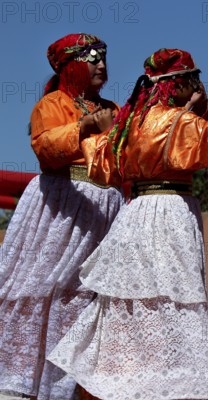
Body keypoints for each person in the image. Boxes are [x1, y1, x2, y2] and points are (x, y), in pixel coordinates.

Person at [47, 48, 208, 400]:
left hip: (134, 214)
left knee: (132, 298)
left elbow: (101, 165)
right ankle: (177, 384)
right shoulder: (177, 122)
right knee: (175, 296)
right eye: (193, 80)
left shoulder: (129, 122)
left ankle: (118, 381)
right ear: (178, 84)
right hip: (173, 212)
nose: (198, 87)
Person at [0, 33, 122, 400]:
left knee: (93, 295)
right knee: (43, 288)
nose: (101, 64)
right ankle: (22, 379)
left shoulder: (114, 110)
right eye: (92, 58)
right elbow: (46, 147)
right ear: (71, 65)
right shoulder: (52, 104)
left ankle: (81, 384)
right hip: (63, 206)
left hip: (107, 208)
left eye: (104, 57)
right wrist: (83, 128)